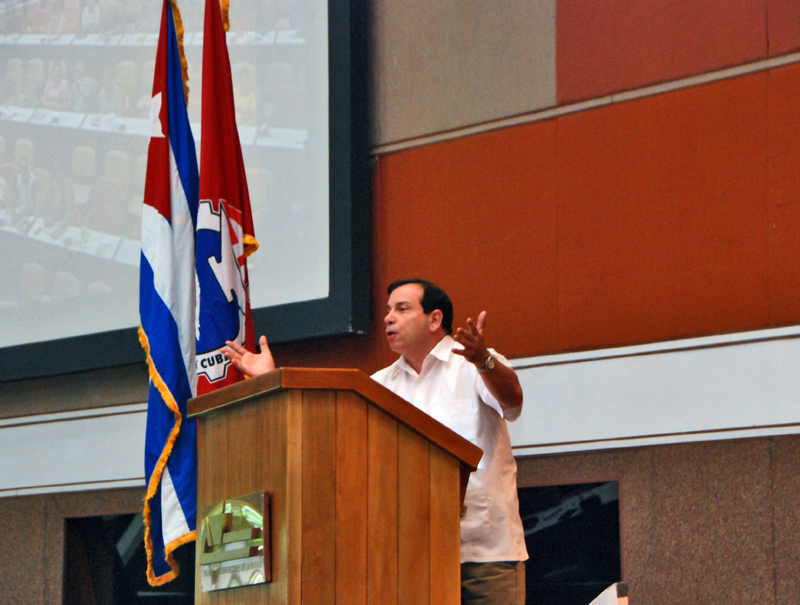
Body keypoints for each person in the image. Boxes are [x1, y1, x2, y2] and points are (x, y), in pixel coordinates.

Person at [223, 279, 528, 604]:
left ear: (435, 319)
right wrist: (274, 381)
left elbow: (512, 403)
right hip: (410, 563)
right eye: (387, 310)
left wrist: (484, 361)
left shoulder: (474, 366)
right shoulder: (376, 386)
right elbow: (329, 436)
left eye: (402, 308)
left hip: (486, 554)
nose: (388, 317)